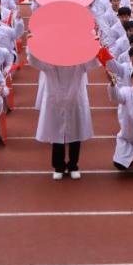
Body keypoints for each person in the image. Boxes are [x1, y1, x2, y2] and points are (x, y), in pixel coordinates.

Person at [28, 51, 98, 180]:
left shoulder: (79, 63)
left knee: (76, 135)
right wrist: (31, 48)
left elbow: (93, 62)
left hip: (75, 103)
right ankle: (58, 166)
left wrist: (95, 47)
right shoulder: (49, 64)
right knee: (56, 135)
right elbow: (34, 61)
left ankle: (73, 166)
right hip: (55, 103)